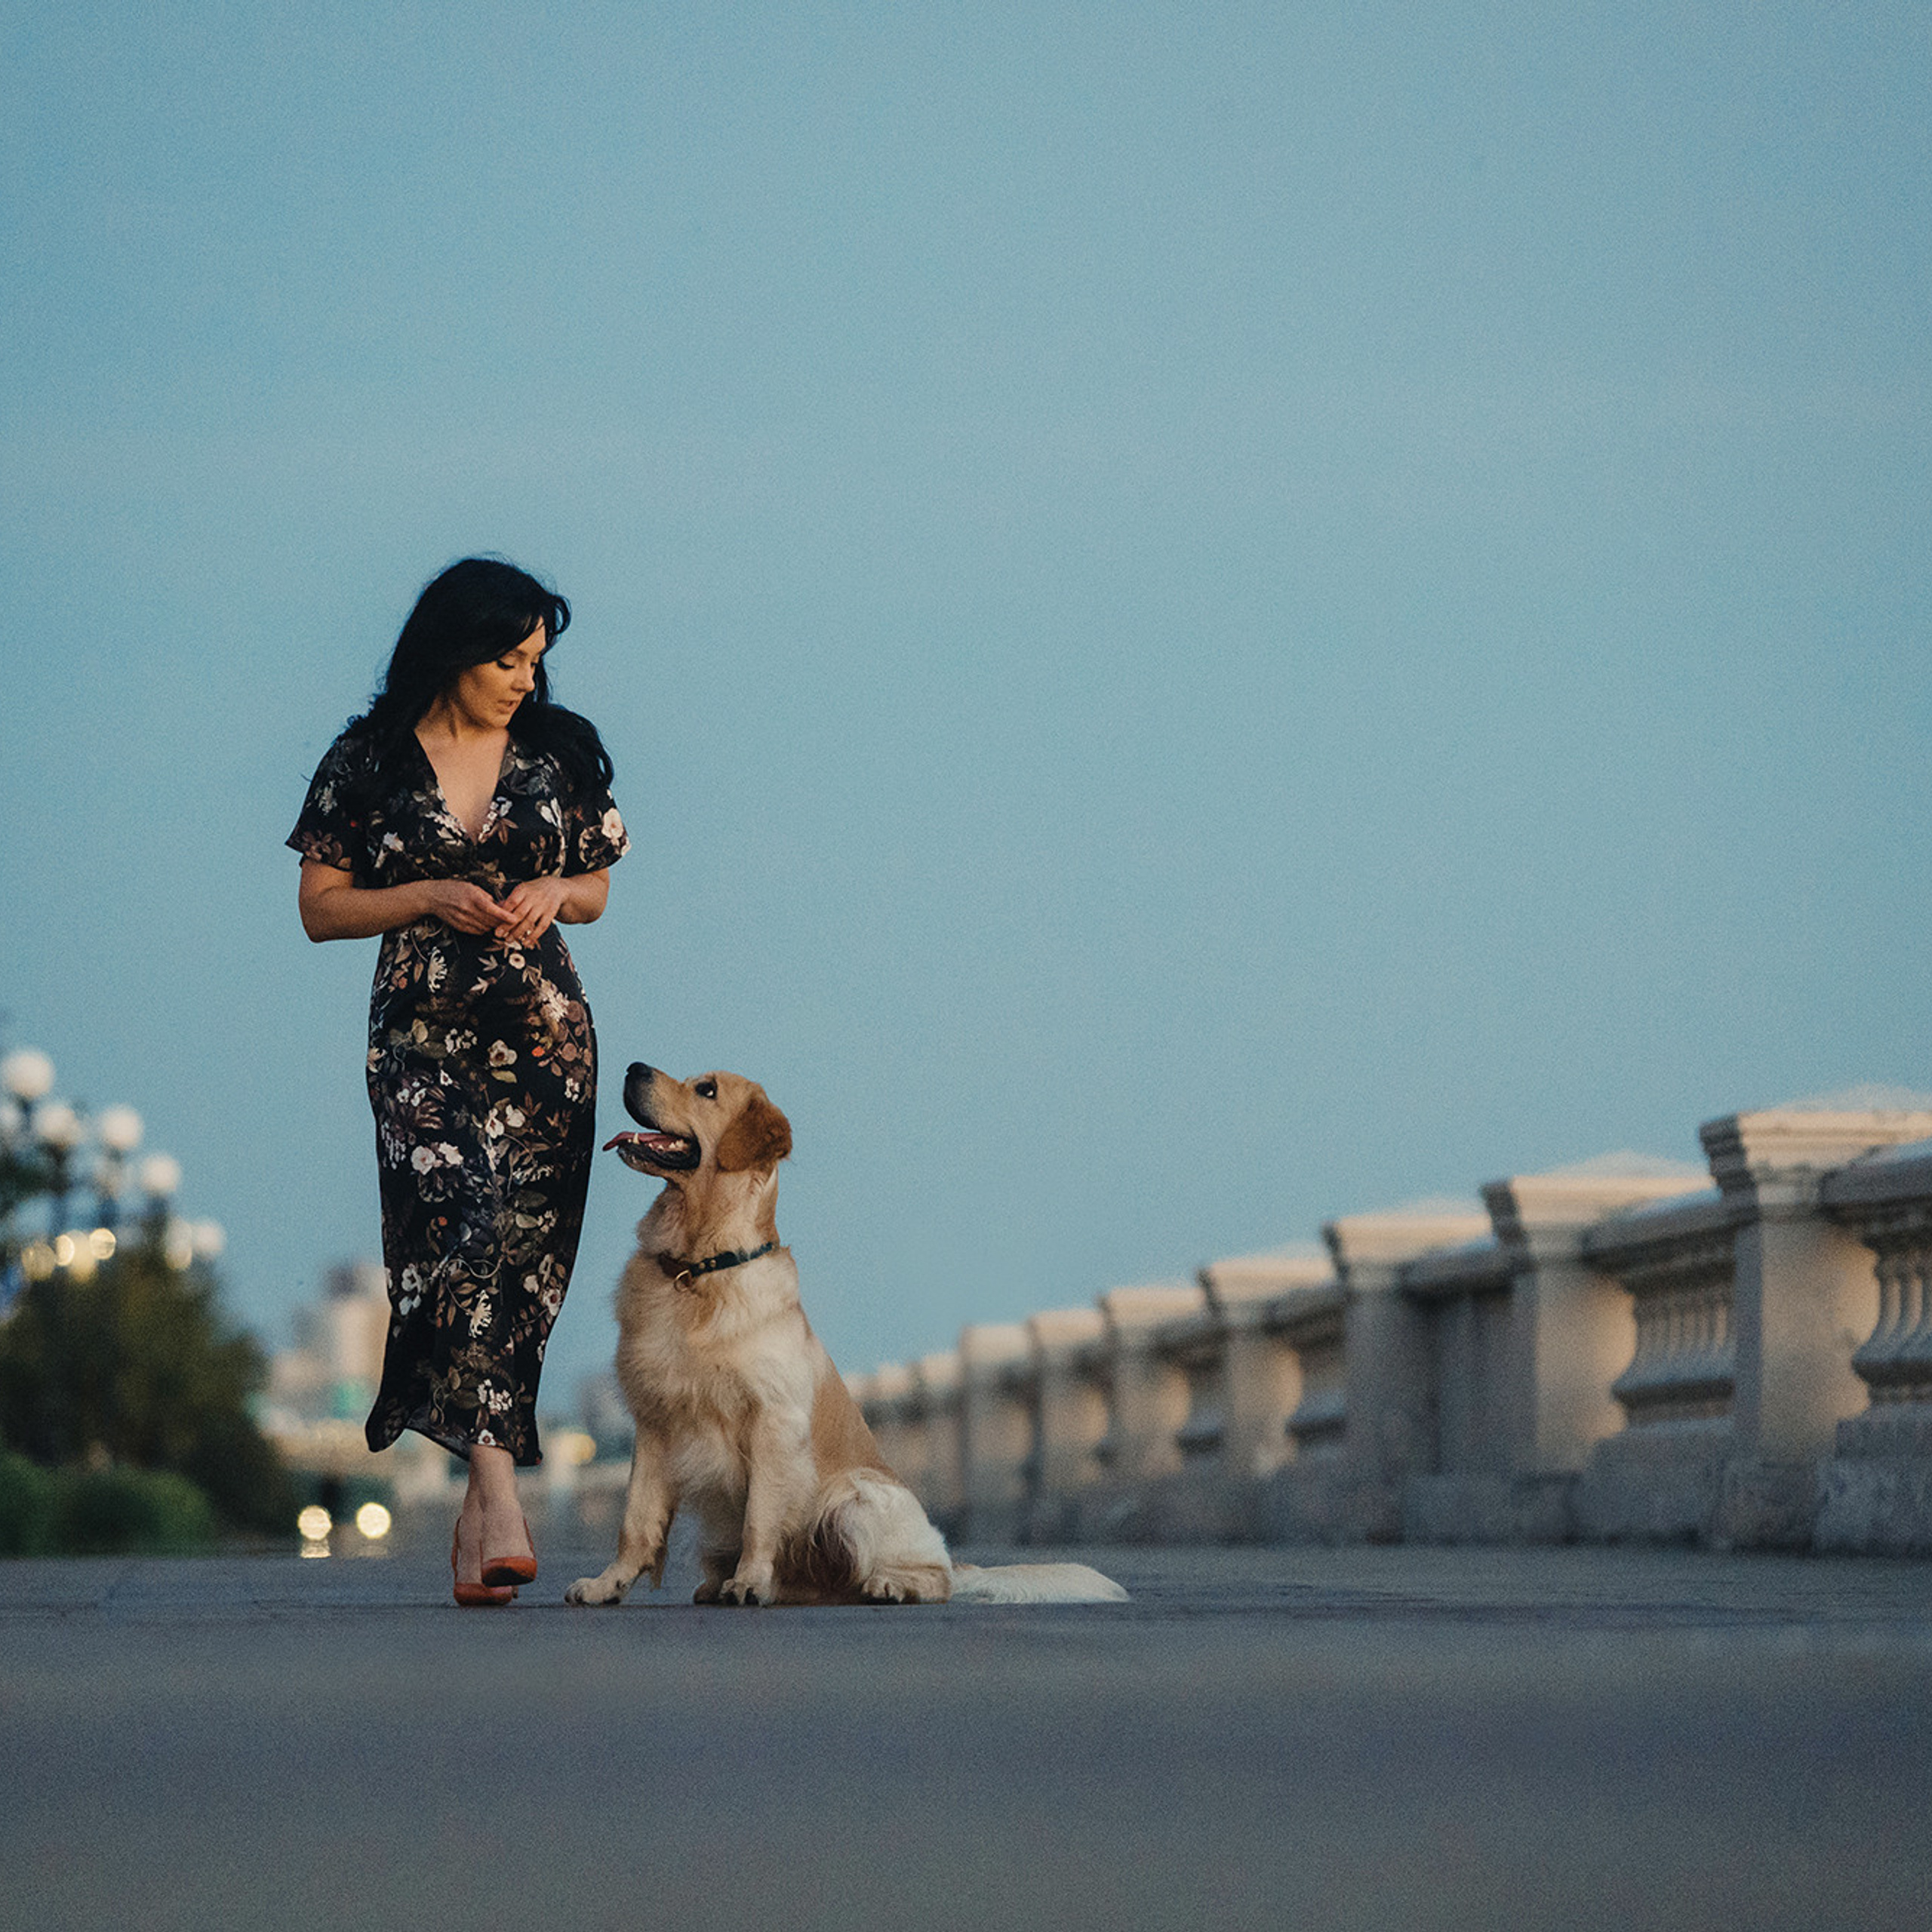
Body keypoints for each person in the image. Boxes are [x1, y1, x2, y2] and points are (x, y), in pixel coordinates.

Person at [288, 558, 628, 1606]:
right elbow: (319, 907)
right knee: (457, 1232)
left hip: (546, 1042)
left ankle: (477, 1526)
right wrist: (428, 892)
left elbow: (601, 887)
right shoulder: (369, 758)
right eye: (505, 657)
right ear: (451, 649)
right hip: (420, 1042)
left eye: (536, 659)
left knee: (524, 1270)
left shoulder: (559, 755)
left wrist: (554, 891)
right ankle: (502, 1492)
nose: (525, 677)